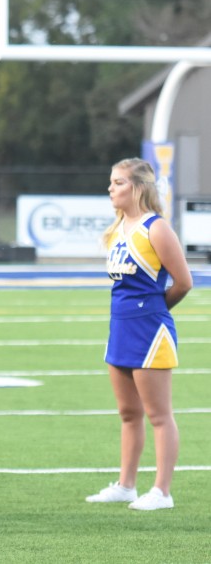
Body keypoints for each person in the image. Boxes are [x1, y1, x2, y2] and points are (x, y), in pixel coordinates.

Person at [85, 158, 192, 511]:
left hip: (150, 330)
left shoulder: (156, 228)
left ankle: (162, 491)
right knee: (128, 413)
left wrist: (155, 312)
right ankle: (126, 485)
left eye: (117, 183)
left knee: (159, 415)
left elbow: (183, 282)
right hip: (120, 329)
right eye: (111, 182)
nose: (110, 188)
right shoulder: (118, 228)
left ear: (137, 187)